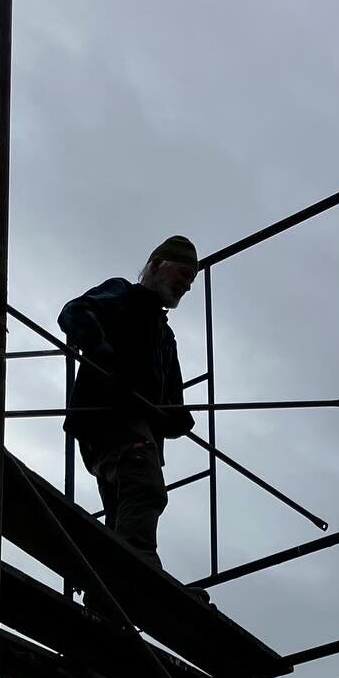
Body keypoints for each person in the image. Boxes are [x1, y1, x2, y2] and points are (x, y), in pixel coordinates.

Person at [58, 236, 199, 567]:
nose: (187, 286)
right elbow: (74, 312)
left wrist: (177, 418)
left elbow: (169, 404)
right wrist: (101, 352)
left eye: (191, 280)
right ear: (155, 266)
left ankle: (105, 593)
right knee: (145, 488)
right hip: (109, 417)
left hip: (129, 427)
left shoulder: (165, 337)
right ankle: (138, 566)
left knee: (122, 511)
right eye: (183, 274)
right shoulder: (124, 296)